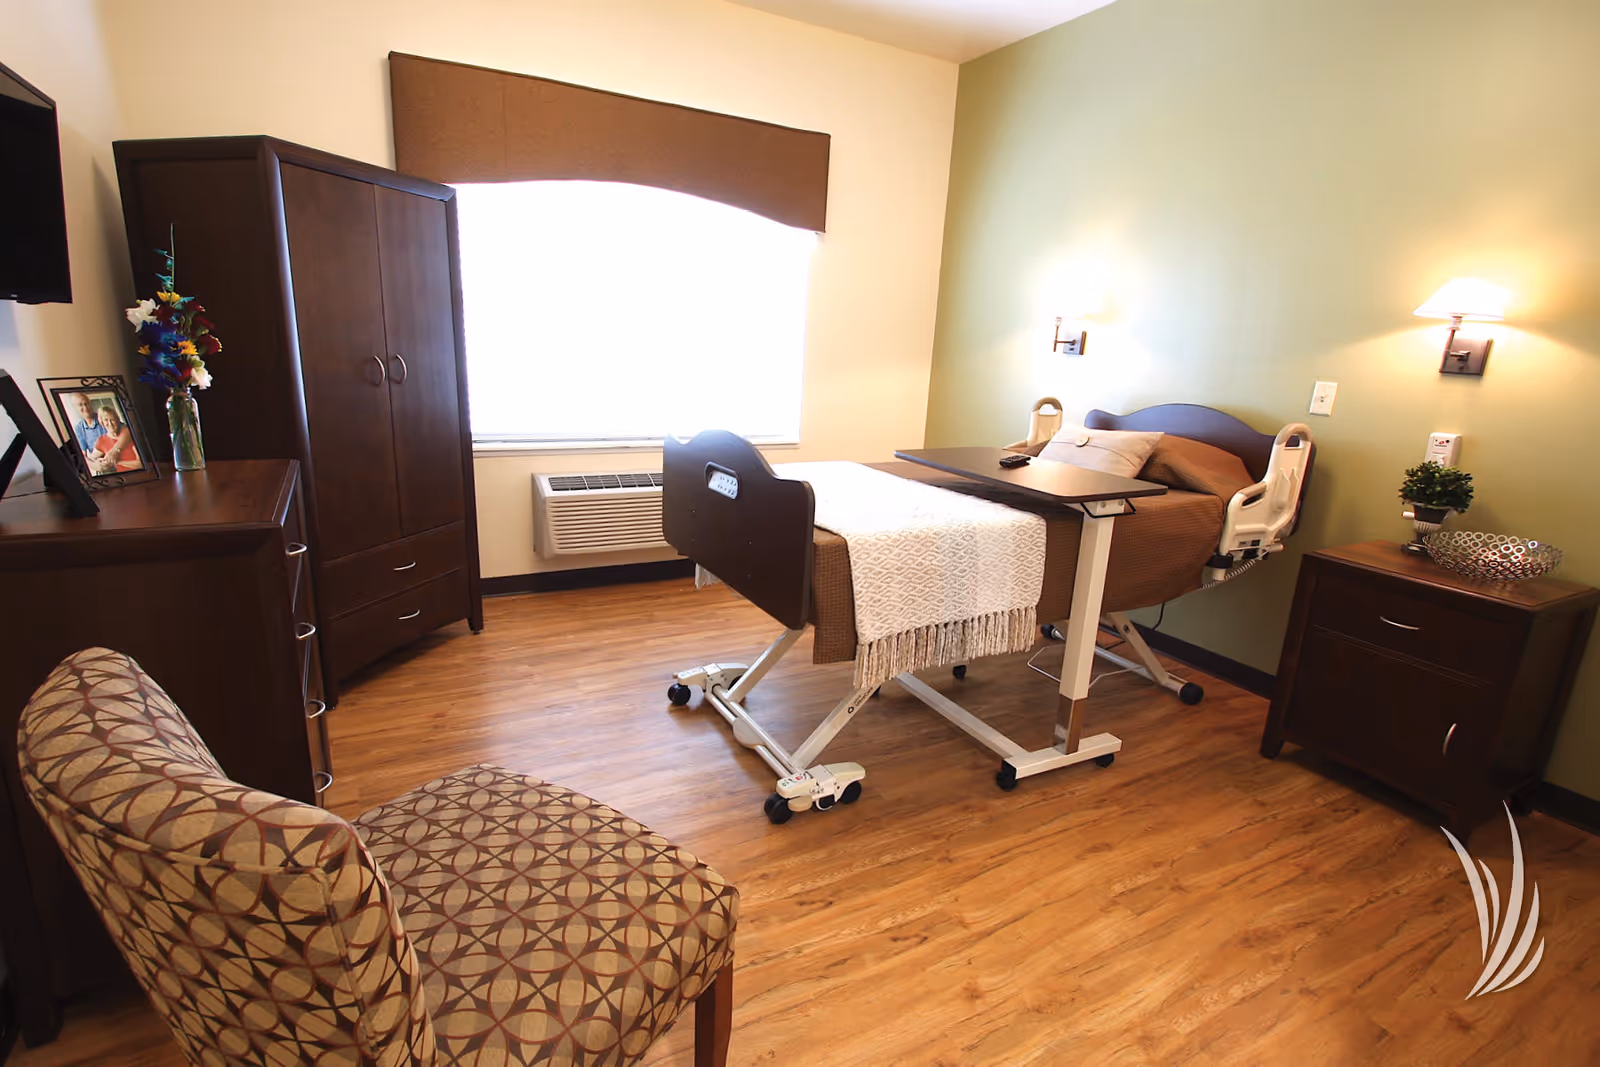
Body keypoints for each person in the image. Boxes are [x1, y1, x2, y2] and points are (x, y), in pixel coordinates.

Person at [93, 404, 141, 473]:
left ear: (117, 420)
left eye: (112, 420)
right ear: (102, 423)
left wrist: (118, 462)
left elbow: (140, 464)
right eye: (106, 420)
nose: (110, 423)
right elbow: (91, 460)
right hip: (121, 479)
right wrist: (100, 463)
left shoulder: (128, 436)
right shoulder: (101, 441)